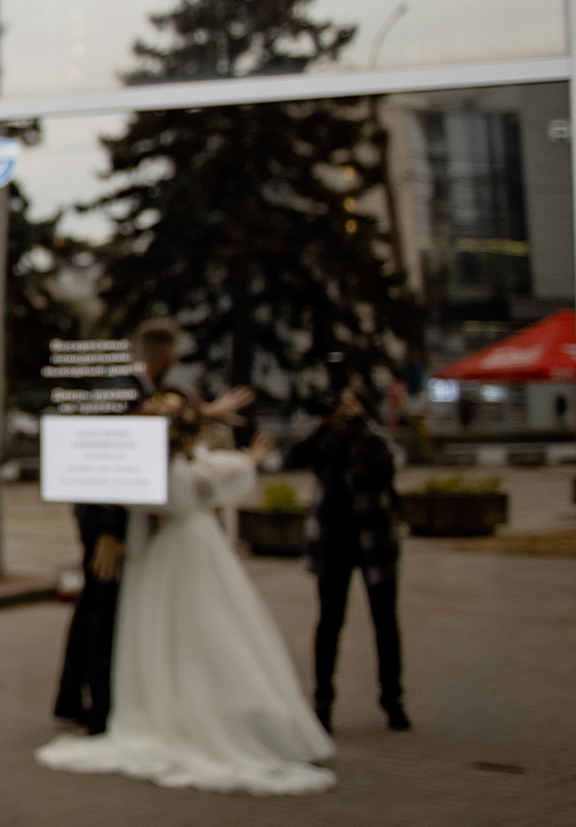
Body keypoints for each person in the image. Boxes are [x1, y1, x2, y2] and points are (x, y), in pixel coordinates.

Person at [36, 395, 335, 795]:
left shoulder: (161, 469)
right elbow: (212, 478)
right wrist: (245, 459)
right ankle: (203, 706)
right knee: (206, 628)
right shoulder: (181, 468)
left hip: (167, 554)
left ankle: (161, 705)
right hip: (189, 549)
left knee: (179, 631)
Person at [51, 317, 177, 735]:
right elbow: (103, 447)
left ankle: (73, 696)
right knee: (102, 609)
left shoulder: (132, 387)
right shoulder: (123, 388)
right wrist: (106, 528)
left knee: (93, 603)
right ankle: (98, 706)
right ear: (167, 355)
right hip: (104, 516)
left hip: (104, 514)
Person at [288, 381, 409, 733]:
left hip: (374, 539)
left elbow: (383, 467)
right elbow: (293, 457)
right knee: (329, 622)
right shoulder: (327, 438)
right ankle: (323, 701)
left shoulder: (375, 438)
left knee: (385, 622)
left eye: (354, 403)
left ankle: (393, 700)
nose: (348, 408)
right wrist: (327, 425)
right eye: (344, 403)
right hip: (333, 541)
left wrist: (358, 425)